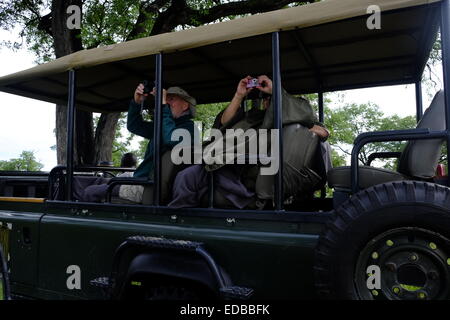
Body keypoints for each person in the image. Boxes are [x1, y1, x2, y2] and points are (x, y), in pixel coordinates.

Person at [168, 75, 329, 209]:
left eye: (270, 98)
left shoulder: (293, 118)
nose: (266, 102)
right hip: (227, 164)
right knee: (186, 174)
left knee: (187, 176)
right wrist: (239, 95)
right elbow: (224, 123)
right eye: (264, 98)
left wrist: (275, 91)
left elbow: (319, 130)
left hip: (248, 172)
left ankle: (178, 222)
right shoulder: (253, 117)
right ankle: (180, 220)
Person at [79, 83, 196, 203]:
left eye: (171, 99)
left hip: (146, 186)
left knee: (90, 191)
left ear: (185, 105)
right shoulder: (166, 125)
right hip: (142, 177)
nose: (166, 102)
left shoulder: (189, 129)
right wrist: (137, 103)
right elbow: (134, 126)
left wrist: (163, 107)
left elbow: (170, 139)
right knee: (95, 181)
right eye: (166, 99)